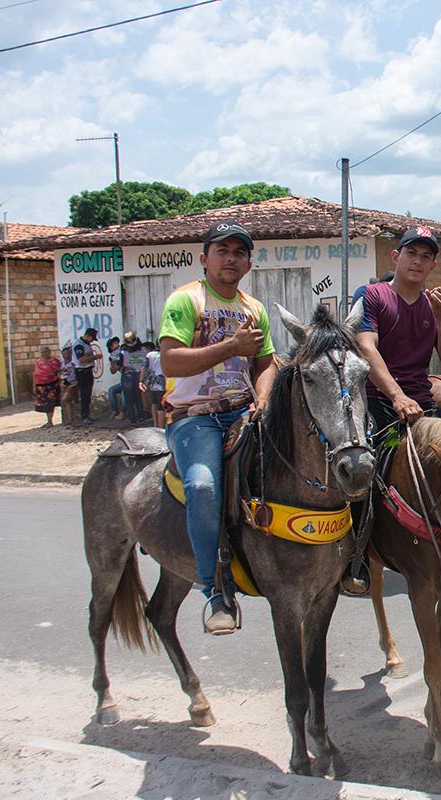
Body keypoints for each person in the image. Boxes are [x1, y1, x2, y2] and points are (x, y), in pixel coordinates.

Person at [159, 220, 277, 635]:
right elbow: (171, 361)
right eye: (222, 250)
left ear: (248, 263)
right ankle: (214, 589)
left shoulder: (254, 307)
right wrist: (229, 346)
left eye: (239, 252)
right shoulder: (185, 300)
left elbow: (265, 363)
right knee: (204, 487)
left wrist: (263, 397)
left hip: (244, 411)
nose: (231, 258)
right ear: (204, 257)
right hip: (195, 416)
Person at [354, 227, 441, 438]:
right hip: (378, 401)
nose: (418, 261)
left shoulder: (433, 306)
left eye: (425, 256)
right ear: (396, 256)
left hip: (423, 404)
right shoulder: (370, 295)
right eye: (411, 253)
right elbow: (365, 347)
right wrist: (398, 397)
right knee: (365, 463)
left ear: (433, 265)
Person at [71, 327, 102, 424]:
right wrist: (96, 357)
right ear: (87, 336)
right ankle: (84, 416)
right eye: (92, 338)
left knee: (88, 394)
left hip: (88, 371)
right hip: (82, 372)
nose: (92, 340)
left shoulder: (86, 344)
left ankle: (87, 415)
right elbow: (81, 359)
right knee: (84, 394)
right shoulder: (79, 345)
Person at [119, 331, 148, 424]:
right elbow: (145, 363)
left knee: (128, 399)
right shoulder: (143, 349)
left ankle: (132, 419)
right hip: (139, 375)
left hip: (127, 375)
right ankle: (141, 416)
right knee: (138, 398)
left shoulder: (123, 351)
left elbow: (118, 363)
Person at [32, 346, 63, 428]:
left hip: (52, 385)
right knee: (45, 404)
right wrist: (34, 386)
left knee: (50, 403)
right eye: (42, 352)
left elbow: (60, 372)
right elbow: (35, 374)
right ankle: (48, 421)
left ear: (49, 352)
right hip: (41, 386)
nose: (43, 354)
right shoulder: (38, 362)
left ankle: (50, 421)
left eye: (45, 352)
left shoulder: (55, 361)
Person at [140, 341, 166, 428]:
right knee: (161, 407)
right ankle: (161, 428)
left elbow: (144, 367)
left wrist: (141, 381)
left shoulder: (149, 355)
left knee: (154, 403)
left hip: (151, 382)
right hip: (162, 382)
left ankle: (155, 424)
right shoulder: (165, 354)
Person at [59, 343, 78, 425]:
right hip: (65, 382)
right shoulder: (62, 363)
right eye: (63, 354)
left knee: (66, 399)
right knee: (67, 402)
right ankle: (70, 419)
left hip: (73, 383)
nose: (65, 356)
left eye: (66, 354)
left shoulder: (74, 364)